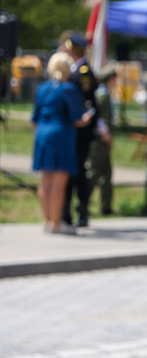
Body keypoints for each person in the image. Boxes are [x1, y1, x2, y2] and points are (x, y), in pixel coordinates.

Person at [33, 52, 91, 234]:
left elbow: (35, 118)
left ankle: (48, 220)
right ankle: (56, 222)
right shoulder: (68, 89)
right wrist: (87, 118)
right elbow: (76, 119)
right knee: (59, 181)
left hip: (42, 133)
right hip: (60, 135)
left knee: (46, 179)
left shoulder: (42, 88)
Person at [61, 33, 98, 227]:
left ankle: (81, 212)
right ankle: (66, 212)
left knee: (78, 172)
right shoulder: (75, 70)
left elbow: (88, 103)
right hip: (72, 130)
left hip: (80, 132)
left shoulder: (83, 72)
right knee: (69, 171)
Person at [88, 65, 118, 216]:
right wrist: (105, 132)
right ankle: (83, 204)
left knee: (107, 174)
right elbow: (95, 114)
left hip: (104, 141)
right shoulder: (102, 94)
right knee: (94, 173)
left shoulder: (105, 93)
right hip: (99, 141)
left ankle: (106, 207)